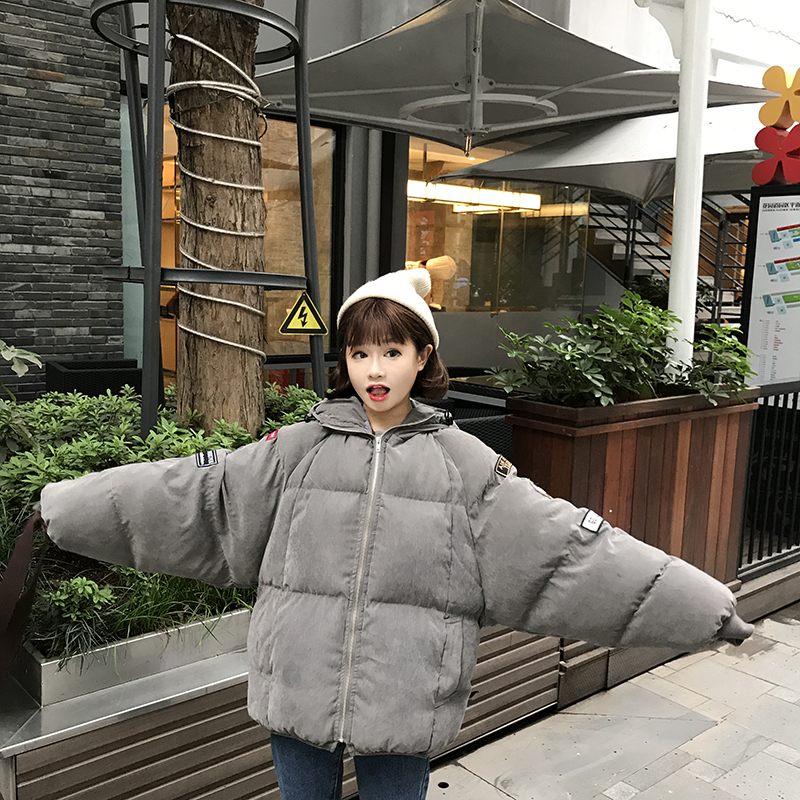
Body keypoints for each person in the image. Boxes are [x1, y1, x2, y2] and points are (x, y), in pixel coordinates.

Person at [40, 268, 753, 800]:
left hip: (408, 695)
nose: (374, 370)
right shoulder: (296, 450)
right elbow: (199, 495)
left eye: (391, 351)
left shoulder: (466, 465)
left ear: (422, 357)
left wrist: (707, 610)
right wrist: (62, 507)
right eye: (359, 354)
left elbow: (567, 549)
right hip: (299, 685)